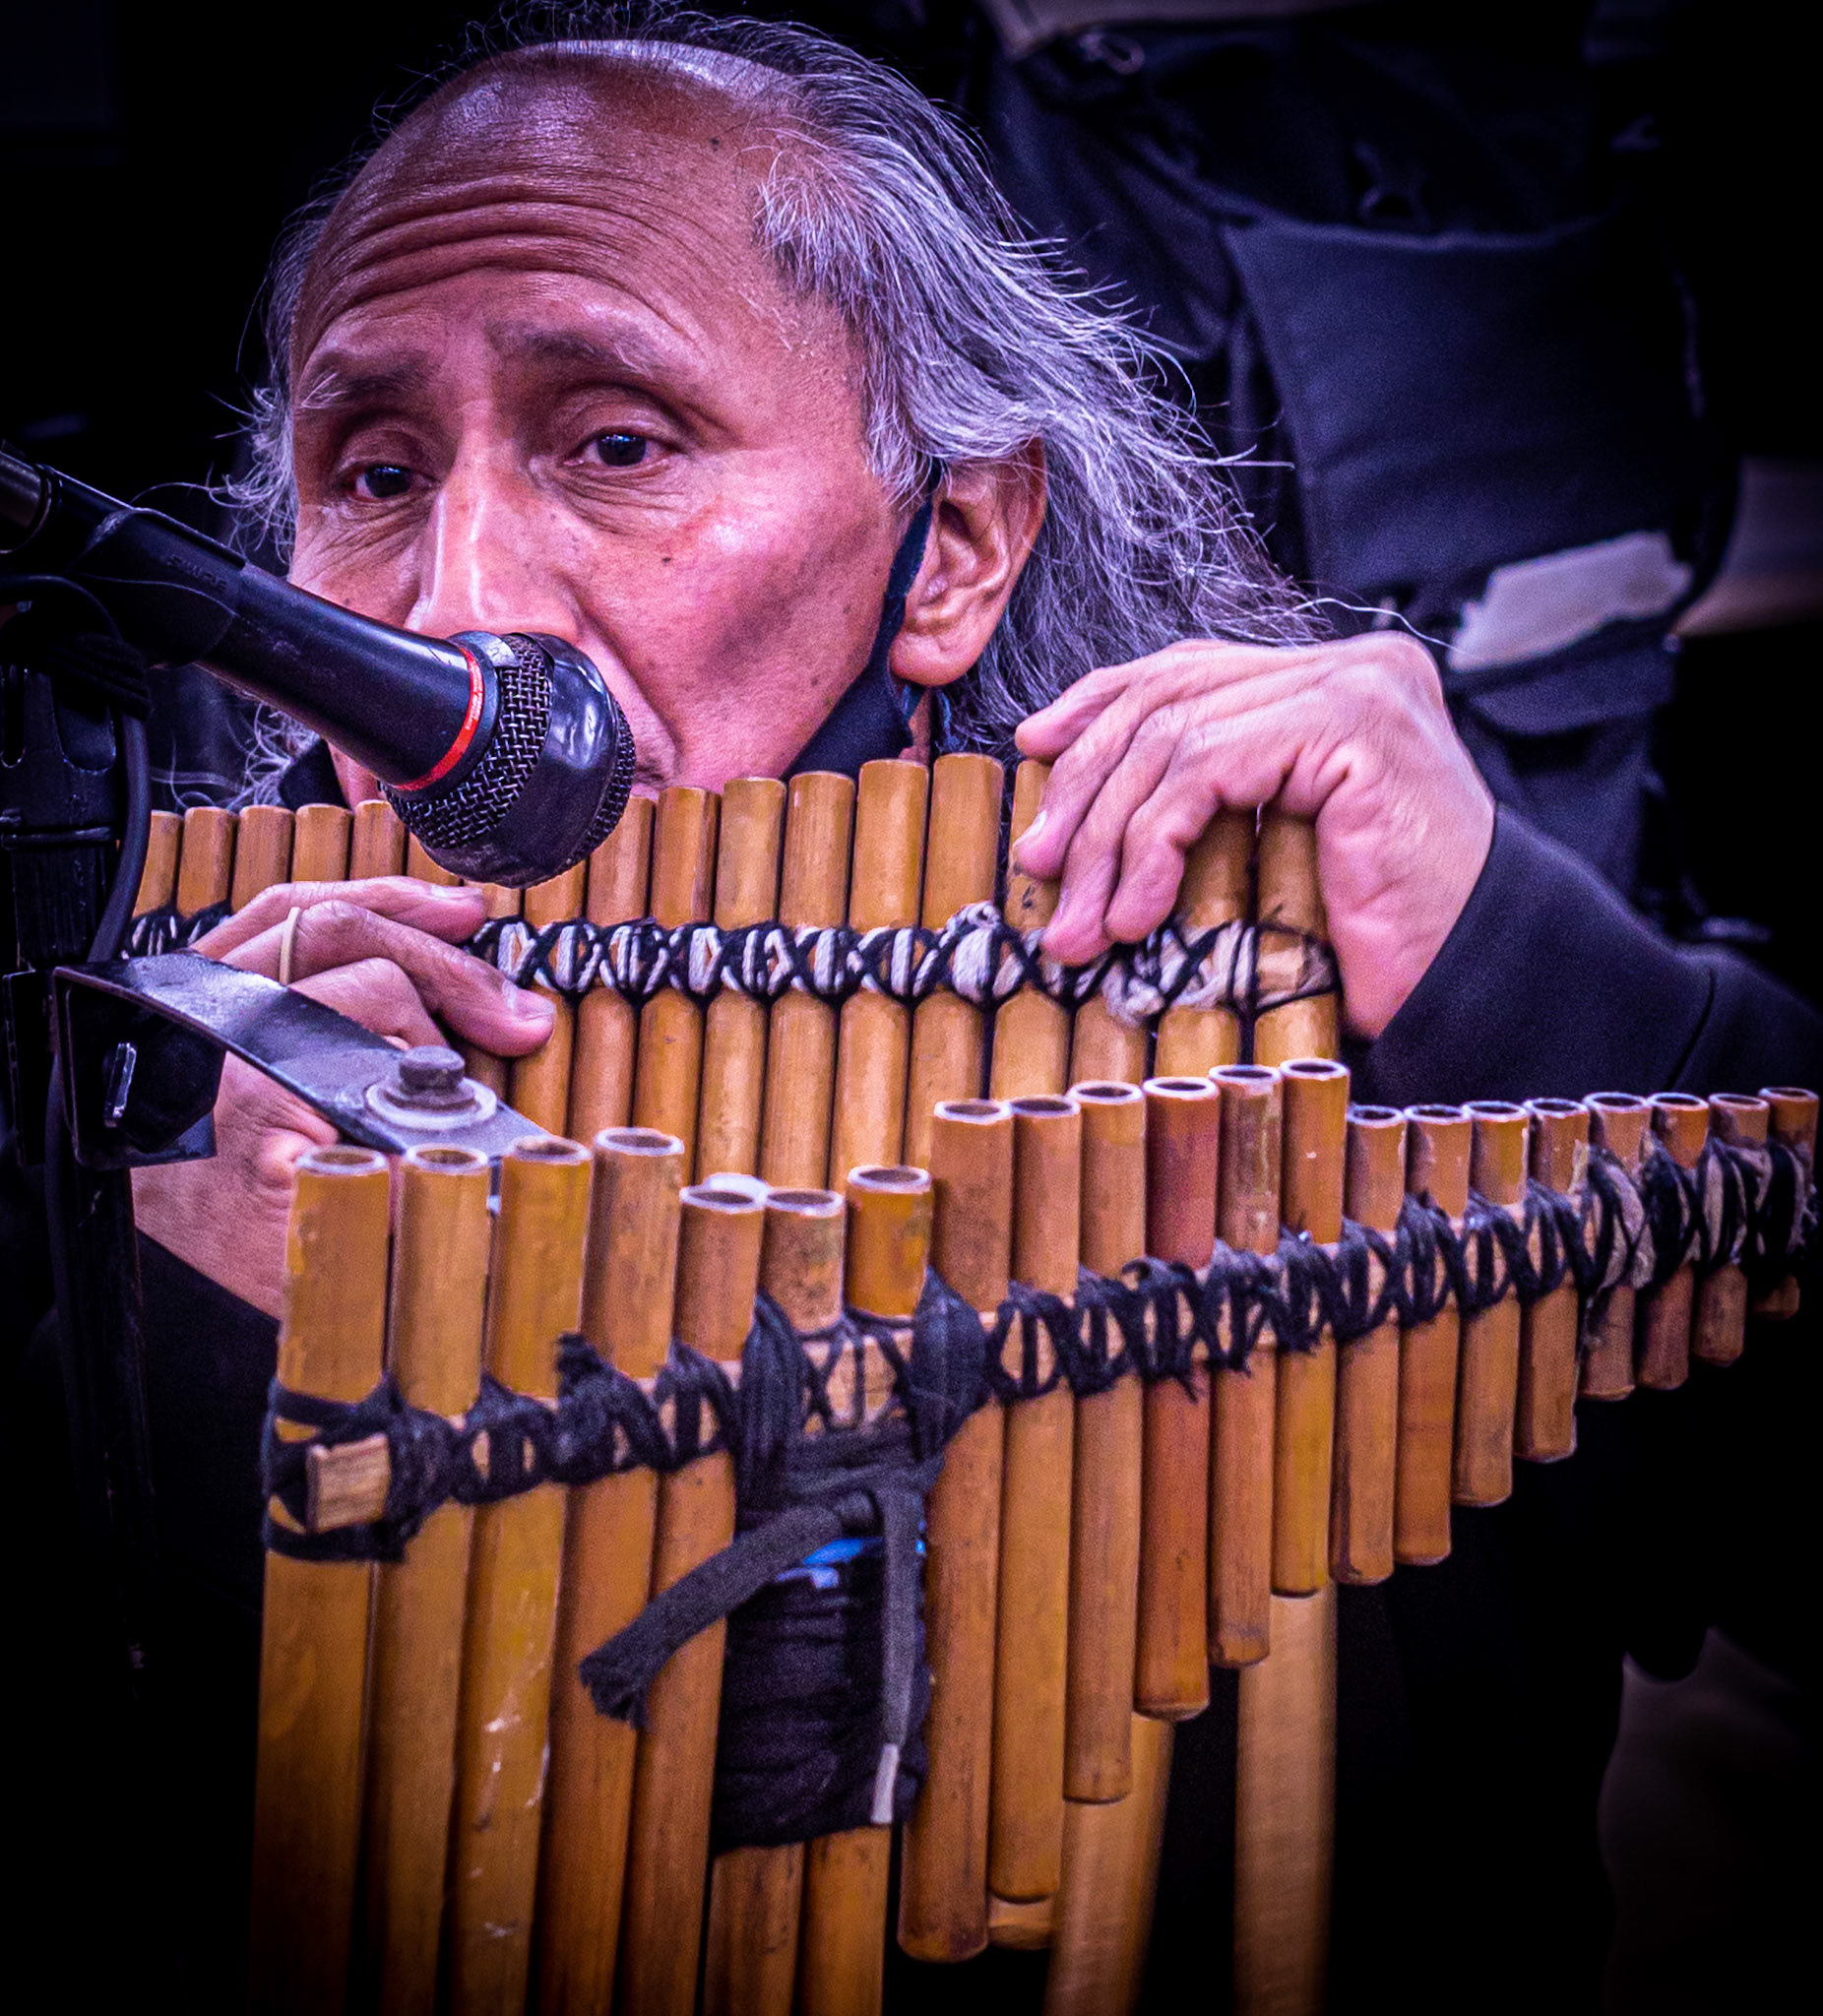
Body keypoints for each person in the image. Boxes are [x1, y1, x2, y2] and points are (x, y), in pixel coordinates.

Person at [21, 12, 1817, 2012]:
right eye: (371, 471)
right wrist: (172, 1354)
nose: (454, 603)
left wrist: (1530, 979)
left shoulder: (1326, 1004)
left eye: (613, 441)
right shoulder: (139, 1105)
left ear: (951, 546)